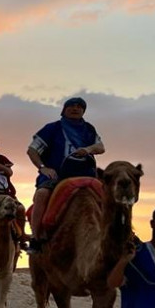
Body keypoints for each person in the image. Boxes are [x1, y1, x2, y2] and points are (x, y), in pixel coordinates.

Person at [25, 97, 105, 253]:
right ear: (64, 109)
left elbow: (101, 147)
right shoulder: (52, 128)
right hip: (58, 175)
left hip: (86, 174)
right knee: (42, 194)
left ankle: (121, 234)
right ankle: (36, 238)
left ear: (83, 111)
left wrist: (88, 149)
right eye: (72, 106)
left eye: (79, 107)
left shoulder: (88, 129)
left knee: (113, 195)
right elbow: (32, 150)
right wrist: (43, 168)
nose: (75, 109)